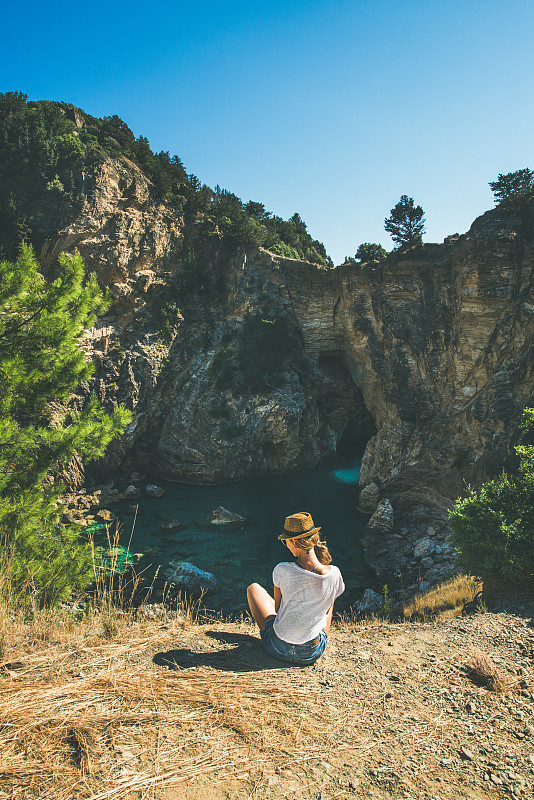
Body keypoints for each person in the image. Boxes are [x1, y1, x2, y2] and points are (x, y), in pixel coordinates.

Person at [247, 511, 345, 665]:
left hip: (277, 648)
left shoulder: (282, 569)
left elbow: (278, 610)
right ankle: (314, 636)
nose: (286, 545)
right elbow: (326, 611)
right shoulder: (335, 574)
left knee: (253, 589)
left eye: (285, 541)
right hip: (312, 653)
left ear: (293, 541)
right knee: (329, 602)